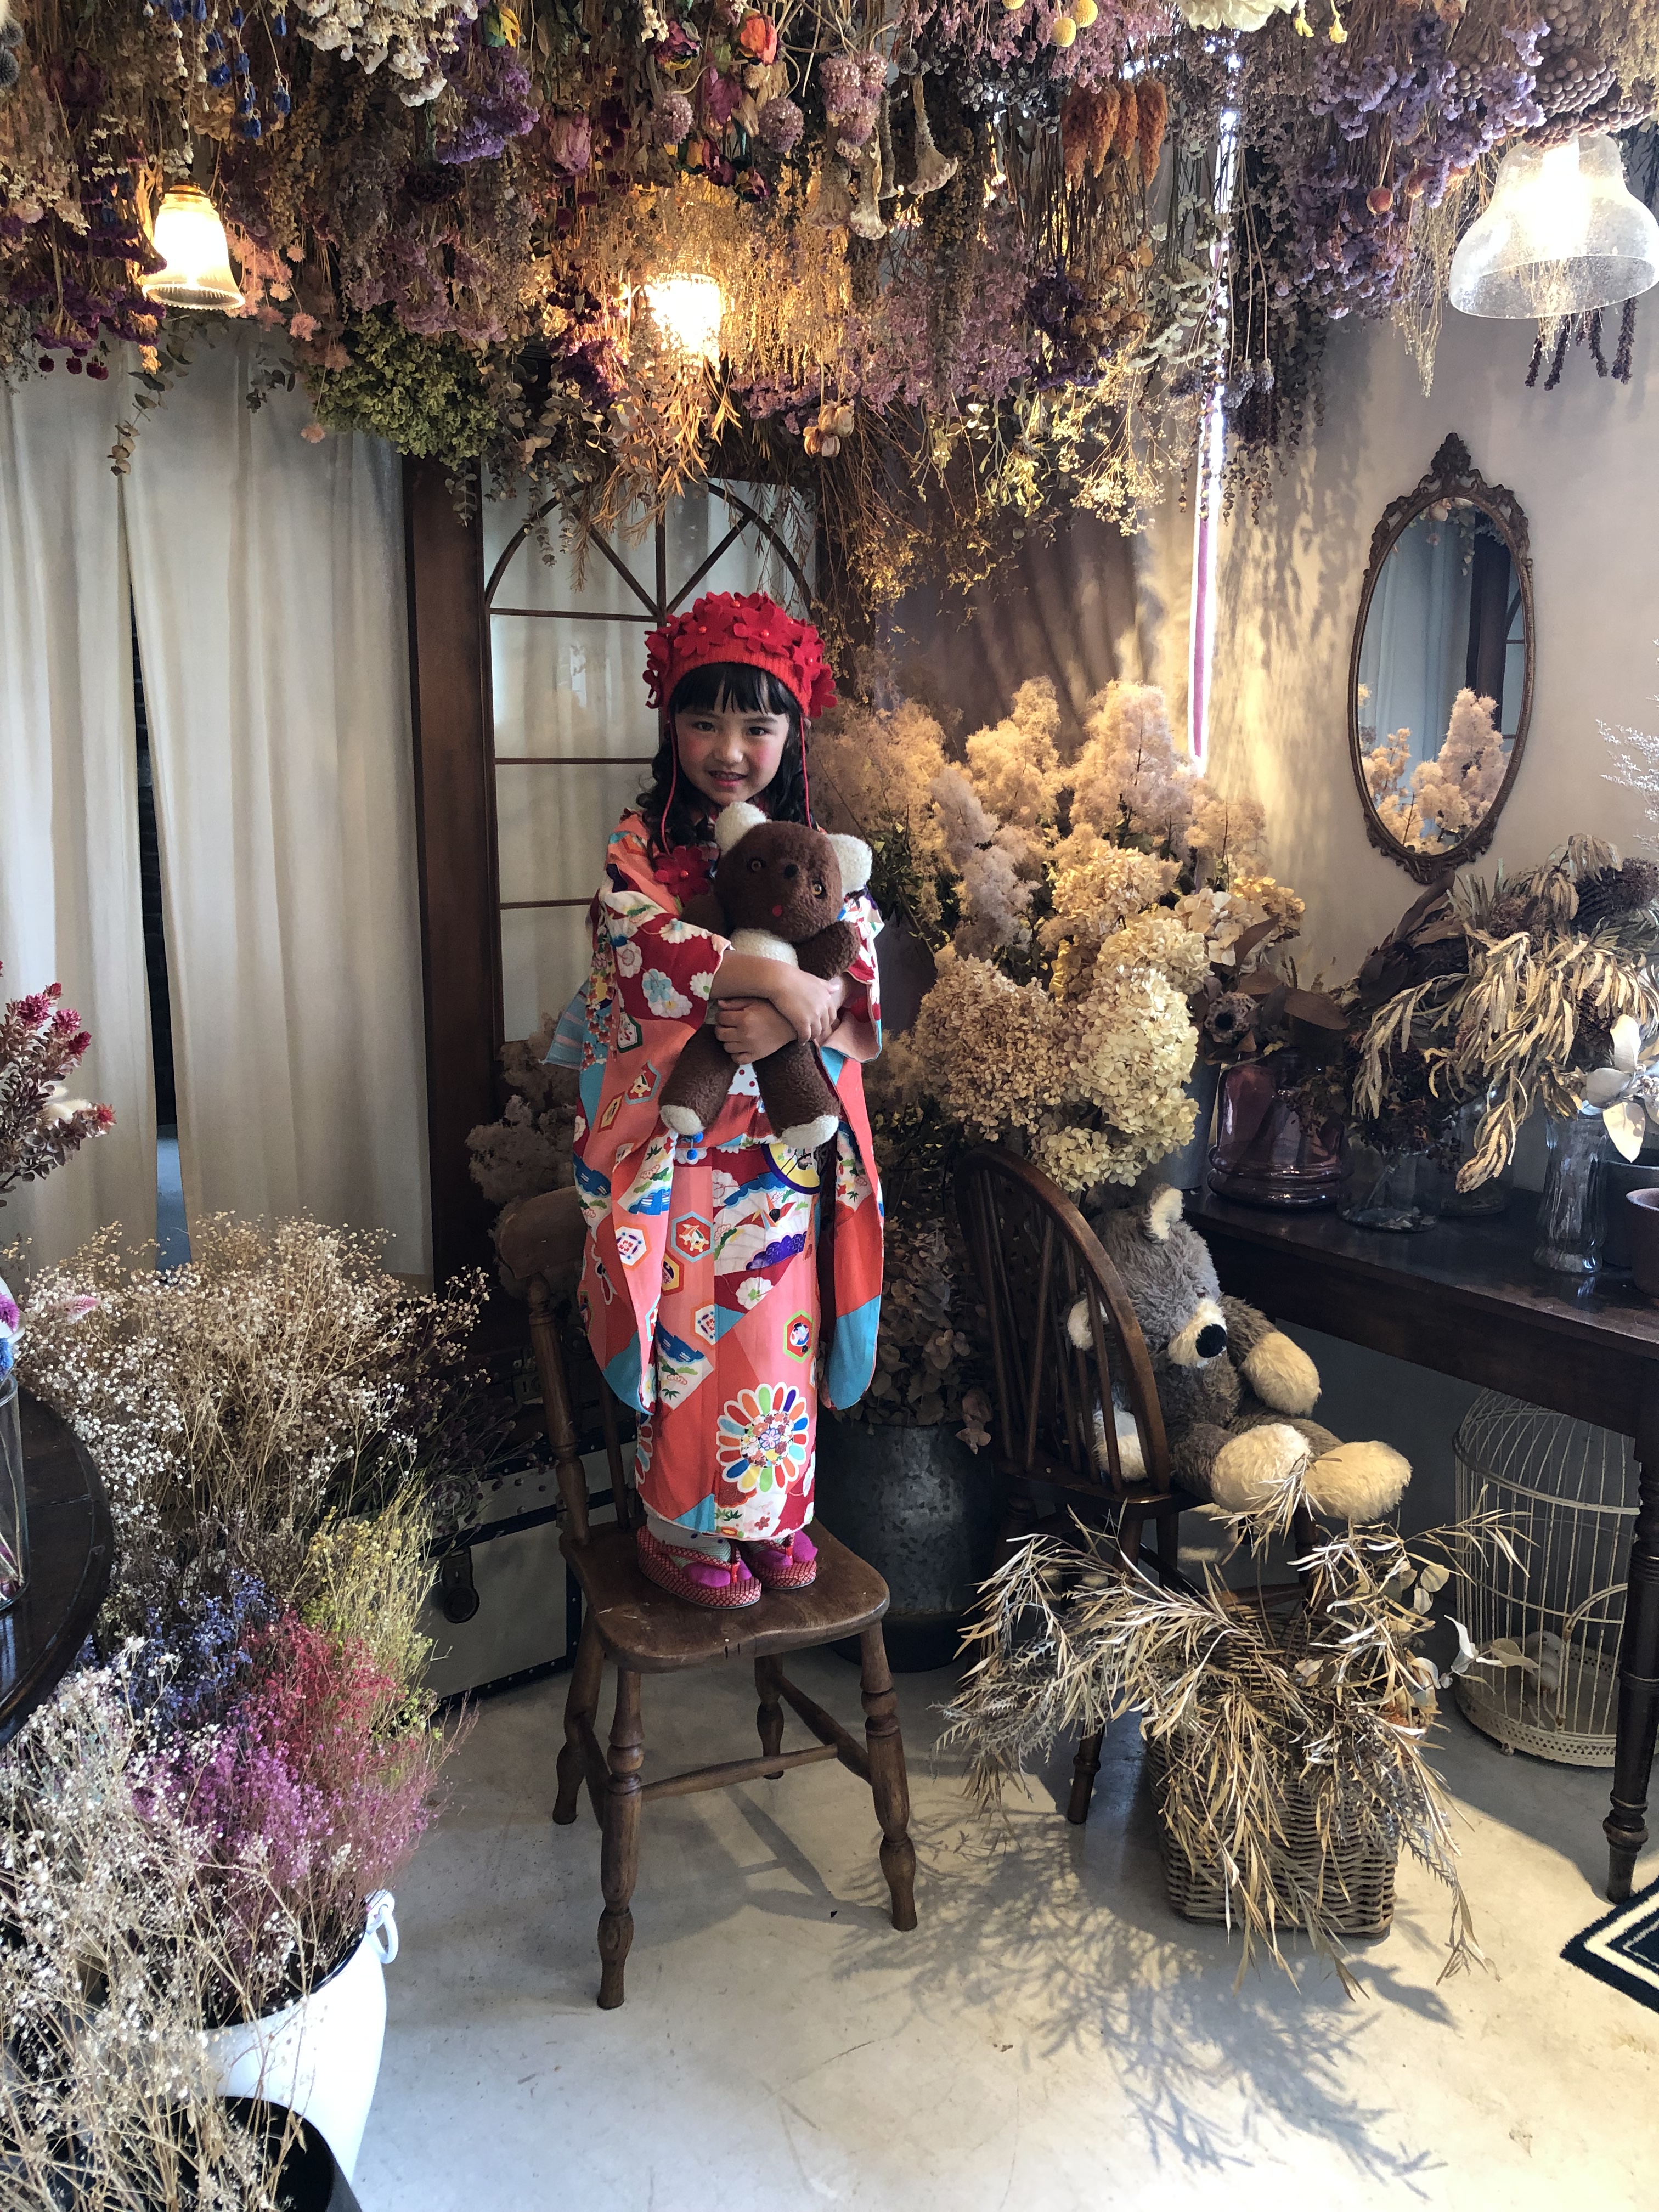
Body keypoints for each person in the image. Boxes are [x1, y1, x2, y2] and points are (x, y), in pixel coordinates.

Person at [569, 590, 884, 1609]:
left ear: (793, 732)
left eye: (758, 724)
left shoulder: (811, 842)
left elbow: (855, 964)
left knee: (778, 1330)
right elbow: (637, 948)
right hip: (685, 1150)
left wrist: (794, 1020)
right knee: (690, 1337)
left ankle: (774, 1516)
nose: (731, 750)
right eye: (705, 722)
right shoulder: (642, 844)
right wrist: (773, 982)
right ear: (672, 725)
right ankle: (678, 1525)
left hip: (781, 1152)